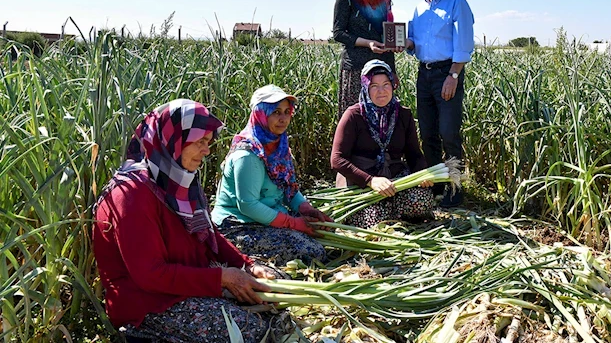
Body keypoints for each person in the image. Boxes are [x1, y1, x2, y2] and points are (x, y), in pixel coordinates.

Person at [93, 99, 288, 343]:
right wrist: (223, 278)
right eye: (199, 143)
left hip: (188, 278)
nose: (206, 151)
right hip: (148, 301)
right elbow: (150, 275)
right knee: (249, 331)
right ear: (174, 140)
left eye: (208, 143)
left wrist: (245, 265)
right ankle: (142, 335)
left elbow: (208, 232)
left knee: (277, 285)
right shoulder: (131, 193)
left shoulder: (179, 178)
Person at [212, 85, 332, 266]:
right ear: (260, 114)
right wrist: (294, 223)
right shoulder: (248, 154)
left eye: (286, 112)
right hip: (238, 225)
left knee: (326, 238)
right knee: (311, 251)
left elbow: (289, 186)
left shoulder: (279, 146)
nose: (283, 119)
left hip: (269, 217)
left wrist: (305, 208)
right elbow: (248, 205)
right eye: (276, 112)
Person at [330, 60, 435, 228]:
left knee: (421, 202)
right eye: (374, 86)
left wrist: (421, 173)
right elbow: (337, 160)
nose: (381, 91)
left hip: (395, 181)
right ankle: (392, 216)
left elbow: (414, 154)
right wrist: (371, 181)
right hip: (361, 182)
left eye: (386, 84)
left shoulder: (404, 115)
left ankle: (396, 215)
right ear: (365, 87)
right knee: (376, 219)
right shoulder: (353, 115)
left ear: (393, 86)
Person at [405, 0, 475, 207]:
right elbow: (413, 41)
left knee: (449, 132)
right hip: (424, 74)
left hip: (448, 72)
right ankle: (437, 187)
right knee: (428, 134)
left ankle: (455, 189)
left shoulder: (457, 4)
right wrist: (404, 43)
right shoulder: (418, 9)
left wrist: (453, 76)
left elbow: (464, 43)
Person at [333, 0, 398, 119]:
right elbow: (338, 33)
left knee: (379, 120)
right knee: (355, 119)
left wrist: (393, 71)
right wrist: (367, 43)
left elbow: (387, 36)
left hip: (380, 72)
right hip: (356, 68)